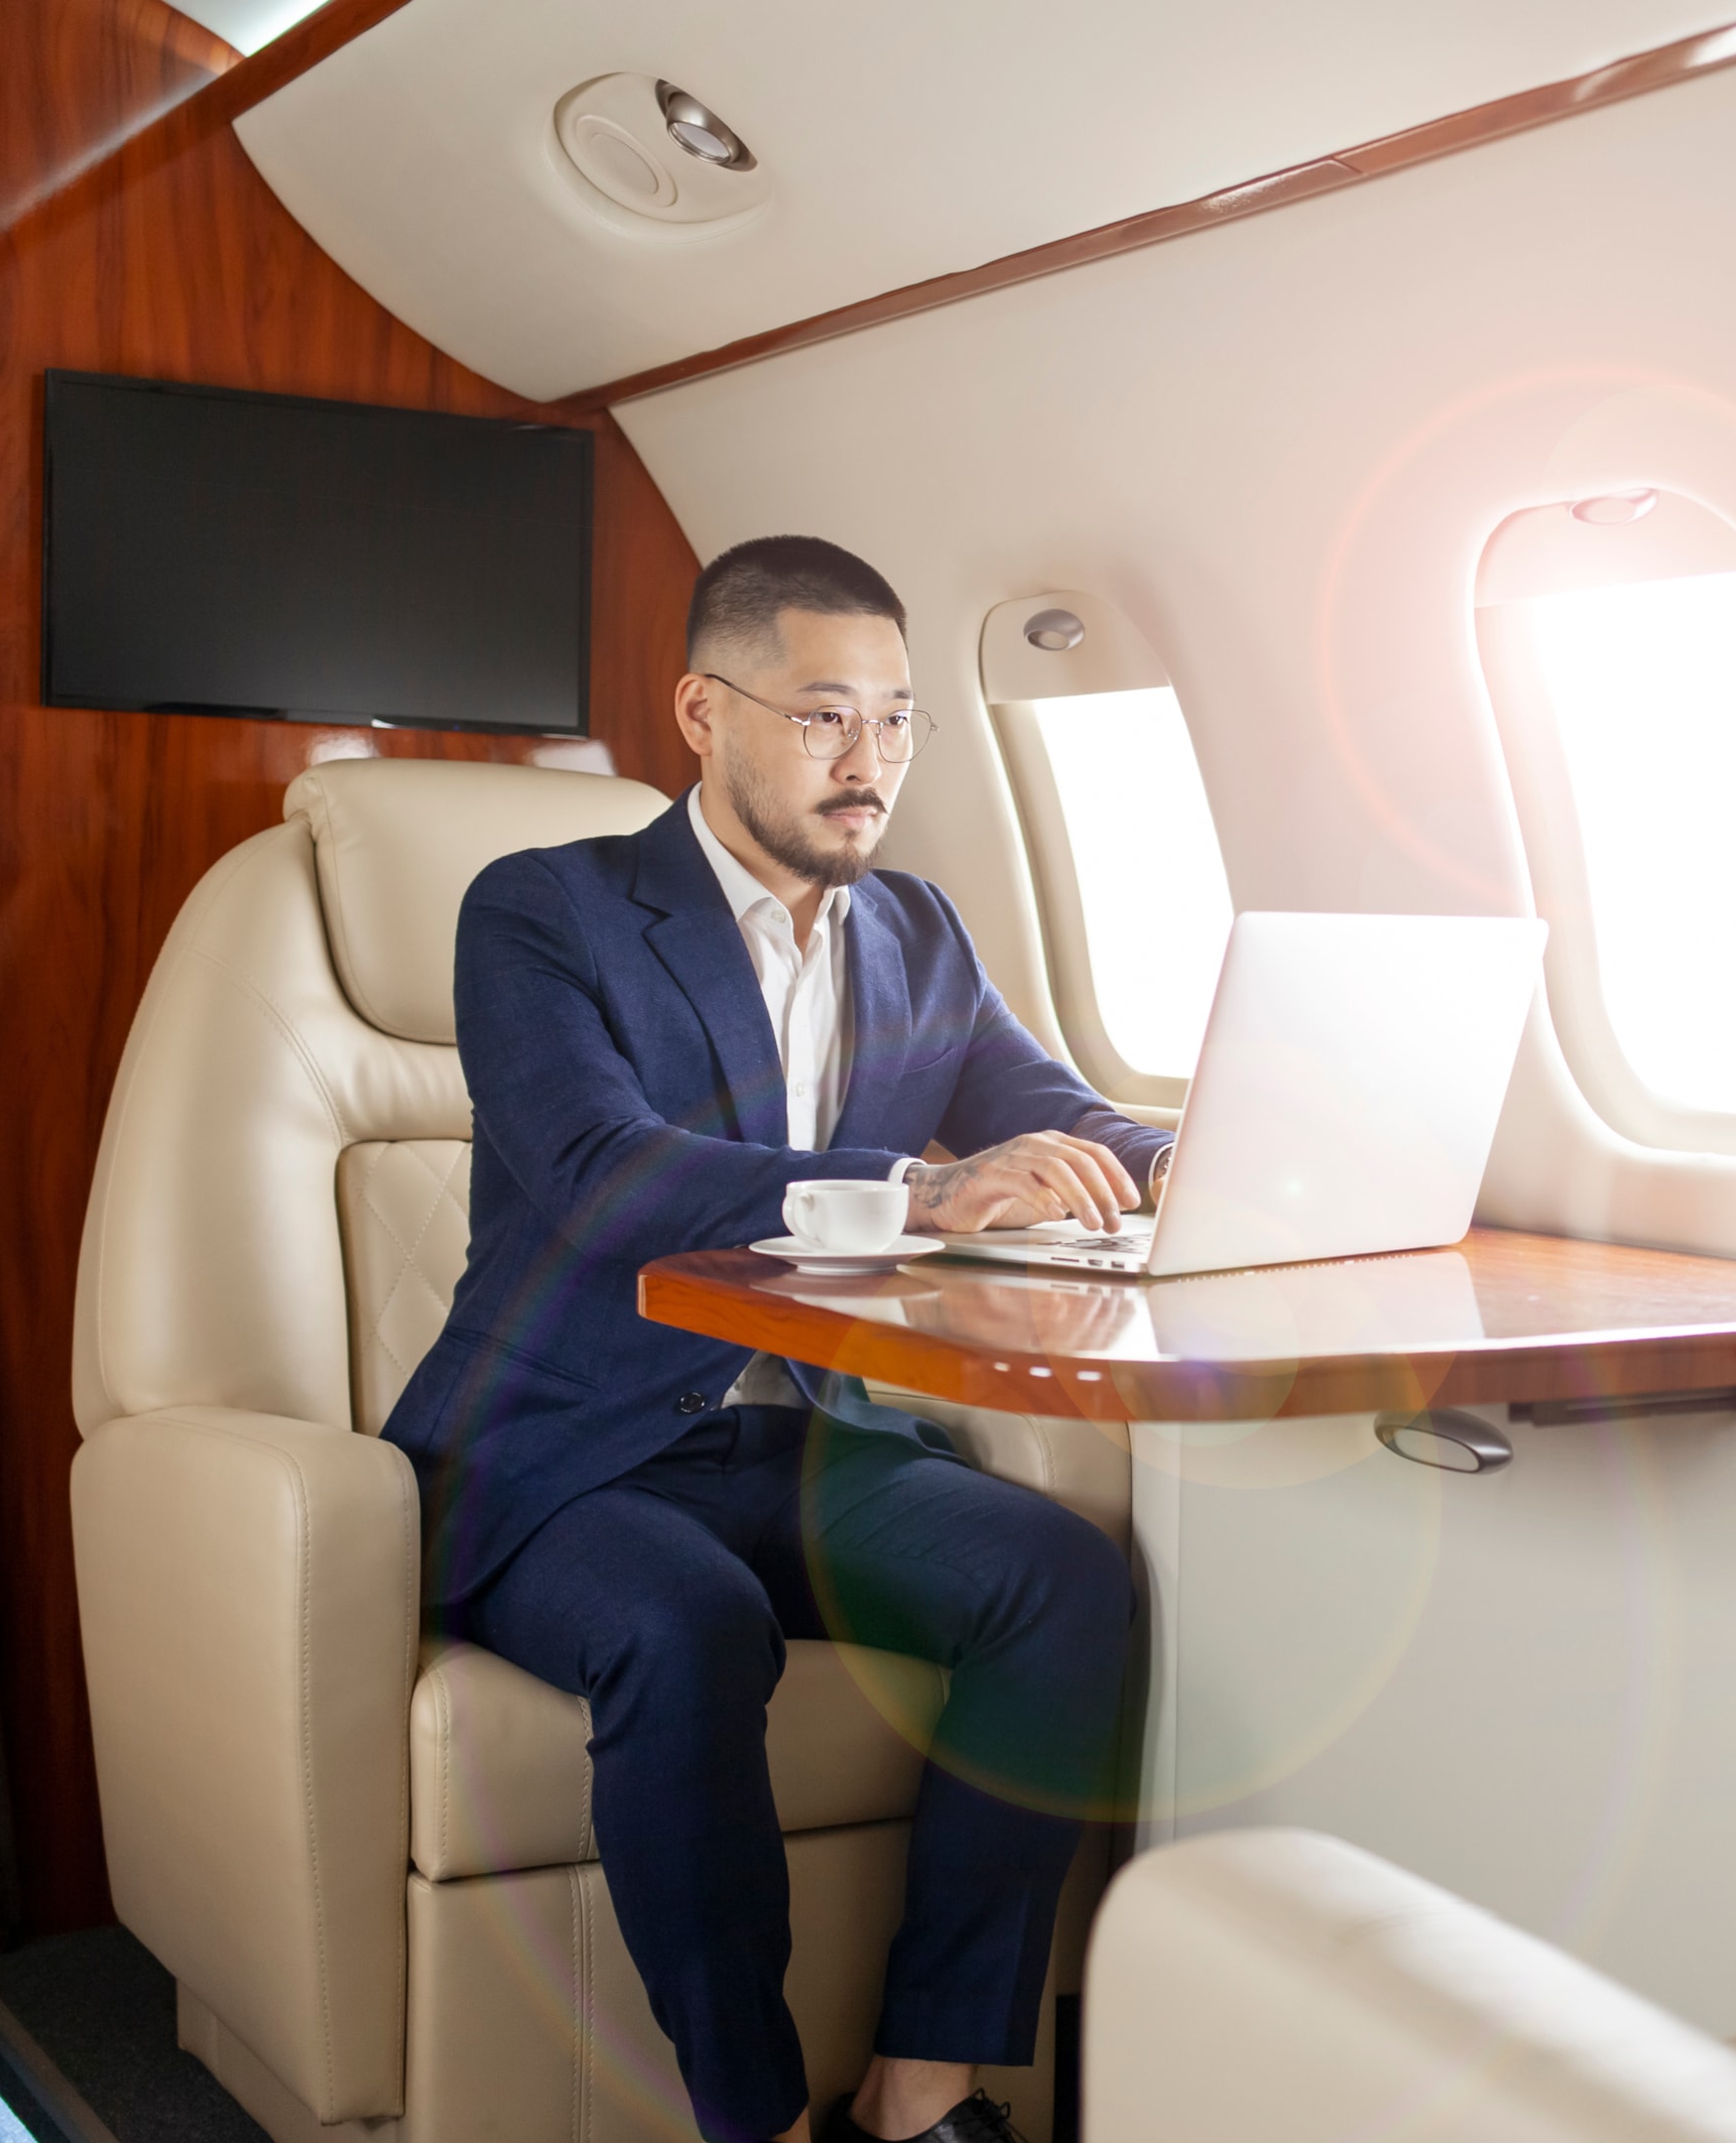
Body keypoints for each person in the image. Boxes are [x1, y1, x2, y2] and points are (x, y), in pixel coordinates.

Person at [381, 536, 1174, 2143]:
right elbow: (608, 1178)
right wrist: (926, 1191)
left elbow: (1066, 1119)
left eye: (894, 720)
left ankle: (923, 2086)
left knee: (1068, 1582)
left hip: (787, 1438)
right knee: (688, 1626)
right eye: (824, 717)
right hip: (555, 1456)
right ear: (702, 710)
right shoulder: (543, 913)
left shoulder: (917, 935)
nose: (868, 763)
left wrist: (1234, 1142)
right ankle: (757, 2118)